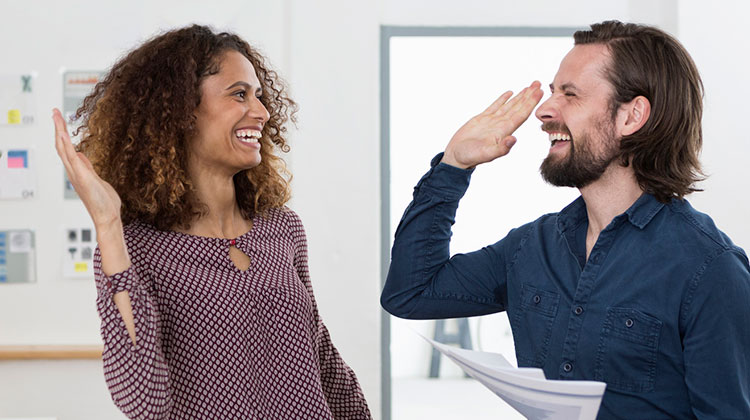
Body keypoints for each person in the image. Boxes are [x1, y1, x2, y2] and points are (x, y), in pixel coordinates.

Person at [381, 20, 750, 419]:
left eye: (569, 94)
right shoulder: (531, 247)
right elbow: (410, 293)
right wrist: (454, 165)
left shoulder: (710, 270)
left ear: (631, 117)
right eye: (554, 91)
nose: (544, 110)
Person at [53, 25, 371, 420]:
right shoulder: (131, 248)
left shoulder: (282, 229)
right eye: (240, 94)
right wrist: (107, 225)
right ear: (184, 111)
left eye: (259, 95)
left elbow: (322, 357)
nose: (262, 111)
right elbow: (142, 400)